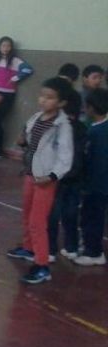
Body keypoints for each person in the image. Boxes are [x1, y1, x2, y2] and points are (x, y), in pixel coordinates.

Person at [6, 78, 74, 283]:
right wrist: (22, 142)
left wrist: (51, 176)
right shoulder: (37, 117)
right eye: (42, 95)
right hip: (31, 174)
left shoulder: (62, 127)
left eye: (50, 98)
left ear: (61, 103)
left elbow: (65, 158)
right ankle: (29, 248)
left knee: (37, 221)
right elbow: (31, 140)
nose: (43, 100)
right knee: (27, 214)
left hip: (45, 180)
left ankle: (42, 265)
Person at [48, 92, 87, 261]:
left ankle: (50, 249)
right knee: (71, 213)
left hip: (58, 176)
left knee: (52, 213)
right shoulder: (82, 128)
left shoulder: (58, 127)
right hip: (76, 177)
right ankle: (71, 247)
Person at [0, 36, 34, 157]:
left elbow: (28, 69)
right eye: (3, 45)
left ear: (11, 48)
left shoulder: (15, 61)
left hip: (8, 95)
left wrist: (15, 78)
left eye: (8, 46)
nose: (6, 48)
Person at [74, 88, 108, 266]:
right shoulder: (101, 129)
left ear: (91, 108)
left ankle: (93, 252)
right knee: (94, 216)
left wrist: (84, 183)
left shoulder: (95, 132)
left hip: (96, 184)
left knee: (92, 217)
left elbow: (91, 161)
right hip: (100, 184)